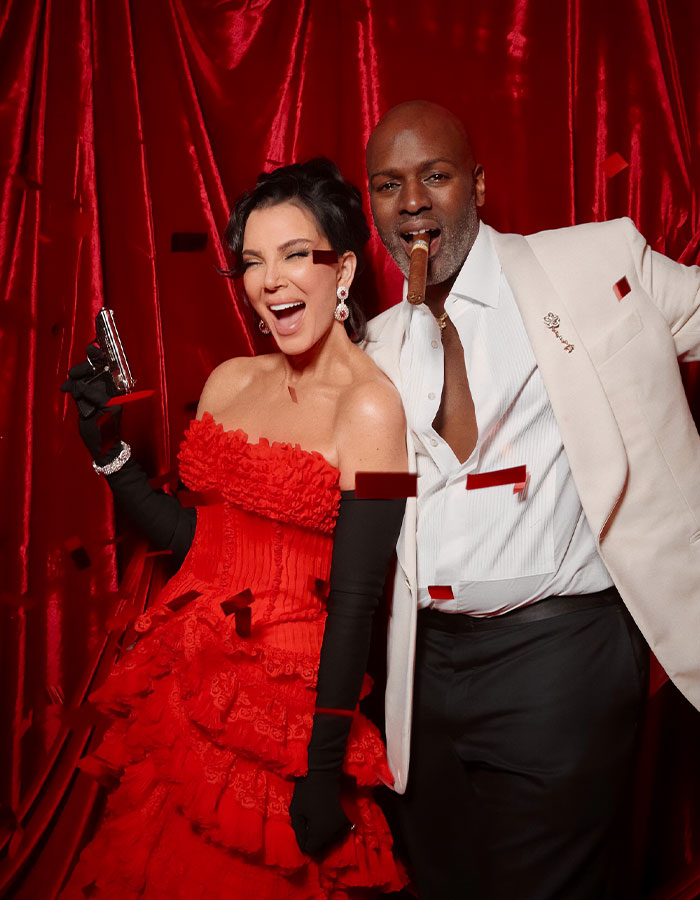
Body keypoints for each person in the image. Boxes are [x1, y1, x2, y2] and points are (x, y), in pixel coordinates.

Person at [362, 100, 700, 900]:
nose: (412, 201)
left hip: (562, 657)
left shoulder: (588, 263)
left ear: (477, 184)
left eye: (435, 175)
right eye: (388, 184)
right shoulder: (373, 345)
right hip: (422, 671)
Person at [59, 158, 408, 899]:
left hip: (285, 718)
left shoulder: (375, 408)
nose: (270, 280)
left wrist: (321, 770)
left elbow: (357, 602)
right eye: (252, 261)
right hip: (186, 688)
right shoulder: (229, 380)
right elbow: (199, 545)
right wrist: (109, 451)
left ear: (344, 269)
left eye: (294, 254)